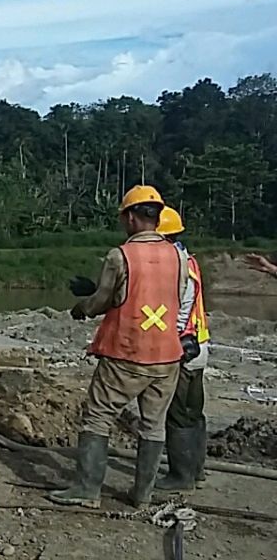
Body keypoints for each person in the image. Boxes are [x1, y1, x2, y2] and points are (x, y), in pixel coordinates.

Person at [49, 186, 191, 509]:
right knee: (153, 424)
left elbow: (102, 302)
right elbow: (174, 298)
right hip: (168, 355)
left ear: (130, 217)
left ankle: (87, 490)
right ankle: (142, 495)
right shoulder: (180, 256)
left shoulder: (120, 255)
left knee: (98, 416)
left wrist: (81, 307)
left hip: (126, 352)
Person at [154, 206, 210, 493]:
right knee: (193, 413)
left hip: (184, 347)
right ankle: (196, 470)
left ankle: (181, 476)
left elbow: (180, 312)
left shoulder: (177, 266)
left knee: (179, 415)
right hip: (198, 344)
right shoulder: (188, 260)